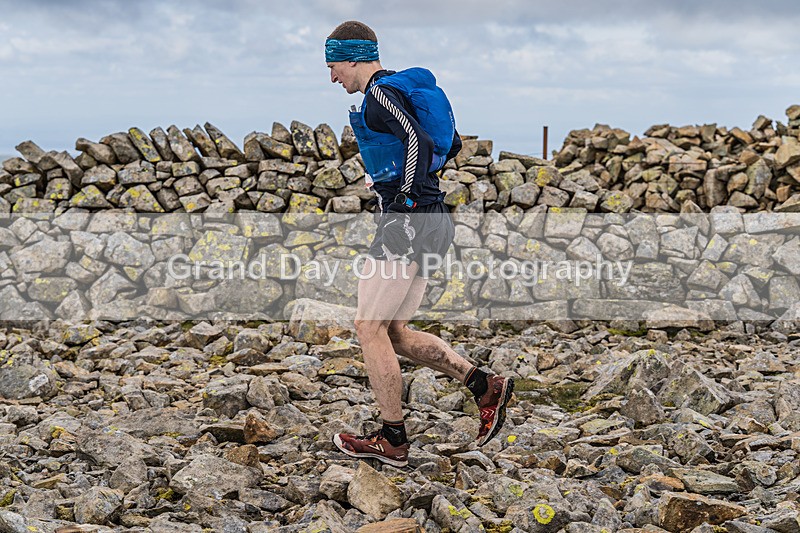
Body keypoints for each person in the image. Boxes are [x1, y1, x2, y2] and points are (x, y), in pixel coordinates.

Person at [325, 20, 514, 468]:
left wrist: (405, 202)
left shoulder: (380, 93)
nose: (332, 77)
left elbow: (417, 139)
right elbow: (449, 147)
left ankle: (392, 440)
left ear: (354, 58)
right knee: (393, 331)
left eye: (334, 66)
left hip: (409, 219)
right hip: (431, 219)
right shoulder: (397, 90)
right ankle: (484, 386)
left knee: (368, 327)